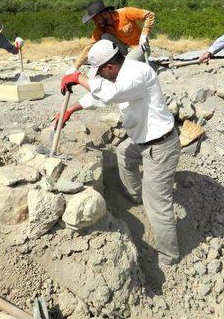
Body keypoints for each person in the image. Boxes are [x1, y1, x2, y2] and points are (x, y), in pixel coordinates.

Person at [56, 39, 181, 266]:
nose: (100, 78)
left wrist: (78, 78)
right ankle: (136, 196)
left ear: (110, 67)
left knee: (158, 205)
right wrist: (72, 109)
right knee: (124, 153)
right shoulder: (120, 74)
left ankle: (168, 257)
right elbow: (99, 95)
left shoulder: (138, 74)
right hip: (142, 141)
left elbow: (111, 94)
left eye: (101, 73)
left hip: (160, 147)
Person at [71, 0, 155, 71]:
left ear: (104, 14)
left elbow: (150, 15)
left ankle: (126, 62)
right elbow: (89, 46)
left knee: (125, 66)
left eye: (96, 19)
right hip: (124, 50)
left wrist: (144, 35)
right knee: (105, 36)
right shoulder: (100, 27)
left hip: (140, 47)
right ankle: (118, 60)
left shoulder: (124, 13)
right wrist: (74, 68)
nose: (96, 23)